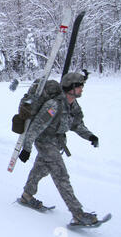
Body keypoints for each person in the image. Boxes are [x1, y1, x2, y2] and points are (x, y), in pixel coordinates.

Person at [18, 71, 100, 225]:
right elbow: (36, 127)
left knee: (40, 169)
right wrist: (26, 148)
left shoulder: (73, 105)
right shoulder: (53, 105)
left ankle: (27, 195)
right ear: (71, 87)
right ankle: (78, 214)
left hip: (56, 142)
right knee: (61, 175)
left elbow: (77, 124)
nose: (82, 89)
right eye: (80, 86)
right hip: (44, 142)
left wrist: (90, 136)